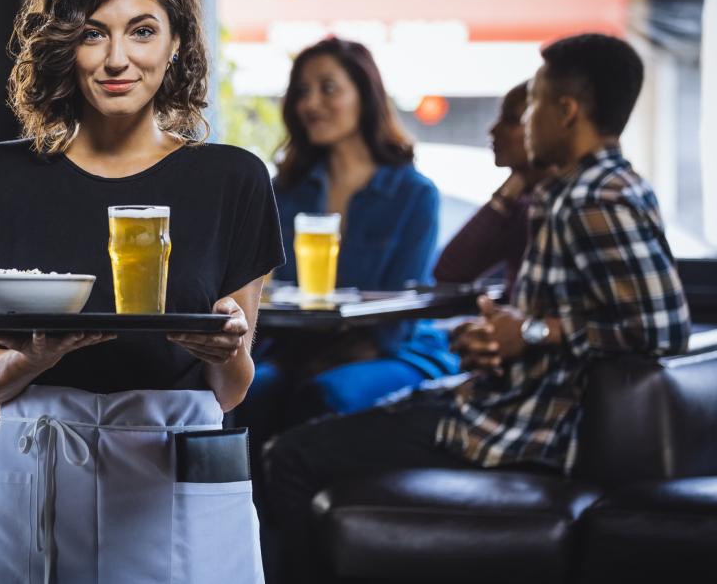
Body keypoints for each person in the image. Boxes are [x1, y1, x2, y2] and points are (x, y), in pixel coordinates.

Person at [263, 32, 692, 583]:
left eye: (532, 103)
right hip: (494, 404)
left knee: (291, 458)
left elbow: (664, 328)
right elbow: (486, 291)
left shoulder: (596, 196)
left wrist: (534, 332)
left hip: (513, 428)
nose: (520, 118)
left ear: (566, 111)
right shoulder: (573, 190)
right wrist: (502, 334)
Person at [0, 0, 284, 581]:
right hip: (37, 454)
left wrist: (223, 349)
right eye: (94, 32)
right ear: (65, 46)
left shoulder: (233, 179)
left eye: (143, 31)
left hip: (177, 459)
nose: (117, 58)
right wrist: (31, 360)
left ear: (177, 42)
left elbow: (232, 389)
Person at [237, 38, 456, 488]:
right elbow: (264, 292)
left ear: (365, 95)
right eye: (301, 91)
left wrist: (322, 359)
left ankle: (312, 549)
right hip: (297, 350)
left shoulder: (414, 194)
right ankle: (257, 547)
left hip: (395, 349)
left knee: (325, 393)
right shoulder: (285, 191)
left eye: (328, 88)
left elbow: (395, 322)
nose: (310, 104)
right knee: (249, 396)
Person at [434, 80, 549, 293]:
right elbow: (450, 271)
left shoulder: (565, 202)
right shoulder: (520, 203)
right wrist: (510, 189)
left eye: (511, 120)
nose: (493, 130)